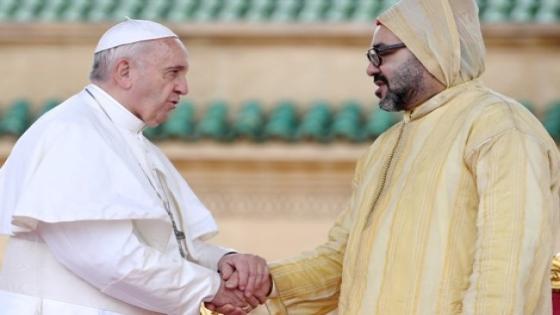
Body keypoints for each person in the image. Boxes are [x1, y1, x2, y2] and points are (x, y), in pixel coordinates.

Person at [266, 0, 560, 314]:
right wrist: (266, 283)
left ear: (430, 48)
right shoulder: (384, 148)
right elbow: (341, 261)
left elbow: (507, 268)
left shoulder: (499, 128)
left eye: (381, 54)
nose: (370, 68)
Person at [0, 19, 271, 315]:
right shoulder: (73, 133)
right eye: (173, 73)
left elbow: (166, 245)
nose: (184, 88)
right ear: (125, 72)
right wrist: (210, 288)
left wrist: (224, 262)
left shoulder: (132, 141)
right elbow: (106, 256)